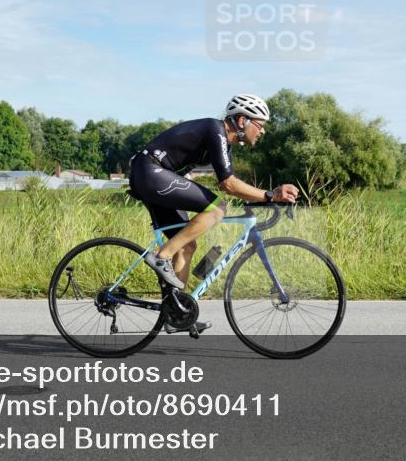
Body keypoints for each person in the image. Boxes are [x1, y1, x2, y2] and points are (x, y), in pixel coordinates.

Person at [128, 94, 299, 333]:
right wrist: (271, 195)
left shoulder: (223, 143)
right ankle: (161, 256)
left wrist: (267, 198)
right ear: (242, 121)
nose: (263, 132)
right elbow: (228, 185)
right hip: (150, 171)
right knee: (218, 208)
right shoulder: (215, 129)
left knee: (187, 246)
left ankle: (177, 313)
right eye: (260, 125)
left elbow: (233, 184)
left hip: (150, 175)